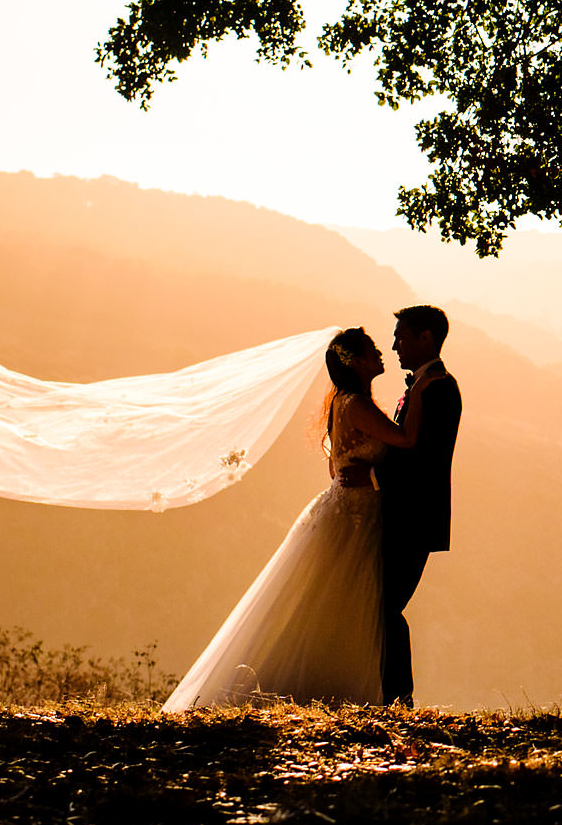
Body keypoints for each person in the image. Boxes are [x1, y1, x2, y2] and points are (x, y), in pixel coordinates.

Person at [164, 328, 425, 711]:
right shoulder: (356, 404)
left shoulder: (343, 401)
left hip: (347, 508)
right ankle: (339, 690)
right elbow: (405, 440)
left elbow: (338, 463)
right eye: (372, 350)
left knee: (331, 600)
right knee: (346, 602)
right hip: (355, 515)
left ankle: (336, 689)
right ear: (355, 361)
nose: (381, 353)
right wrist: (418, 392)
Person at [361, 304, 460, 705]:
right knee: (381, 606)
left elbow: (422, 456)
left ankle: (398, 698)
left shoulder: (440, 388)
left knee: (387, 607)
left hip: (413, 516)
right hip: (399, 514)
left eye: (401, 336)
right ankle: (388, 695)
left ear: (426, 338)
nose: (394, 345)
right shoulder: (422, 385)